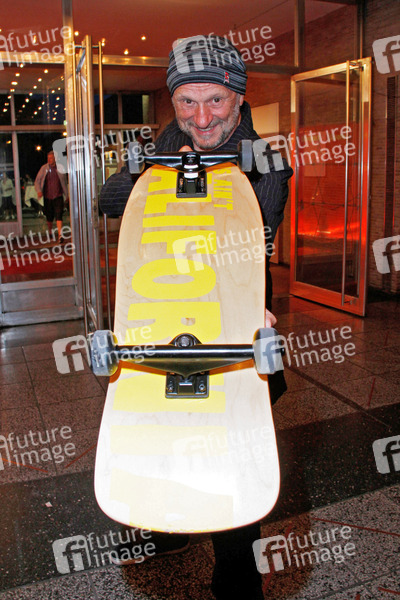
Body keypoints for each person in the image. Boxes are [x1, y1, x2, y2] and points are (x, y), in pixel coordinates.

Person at [100, 35, 293, 600]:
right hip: (166, 315)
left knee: (231, 450)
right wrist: (151, 170)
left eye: (215, 101)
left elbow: (255, 242)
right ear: (174, 101)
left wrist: (250, 304)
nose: (201, 118)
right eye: (187, 101)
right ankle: (166, 530)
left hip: (231, 317)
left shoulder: (264, 159)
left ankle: (237, 581)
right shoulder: (169, 141)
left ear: (238, 97)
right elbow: (111, 202)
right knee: (158, 428)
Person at [34, 151, 68, 241]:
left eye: (51, 158)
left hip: (58, 195)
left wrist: (67, 195)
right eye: (48, 158)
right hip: (47, 196)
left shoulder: (60, 168)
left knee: (59, 214)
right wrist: (39, 191)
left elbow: (64, 182)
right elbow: (37, 181)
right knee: (49, 216)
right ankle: (50, 232)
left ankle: (60, 235)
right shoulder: (44, 168)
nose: (49, 160)